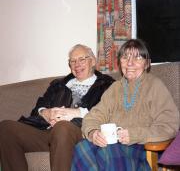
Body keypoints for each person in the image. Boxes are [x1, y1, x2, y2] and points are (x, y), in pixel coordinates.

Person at [0, 44, 115, 171]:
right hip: (47, 132)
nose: (77, 64)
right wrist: (45, 112)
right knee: (6, 128)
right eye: (72, 61)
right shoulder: (58, 84)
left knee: (62, 127)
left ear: (92, 61)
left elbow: (109, 112)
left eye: (82, 59)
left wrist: (76, 113)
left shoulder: (106, 84)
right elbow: (37, 108)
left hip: (80, 132)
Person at [71, 39, 180, 171]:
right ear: (120, 62)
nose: (130, 63)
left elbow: (169, 125)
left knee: (107, 152)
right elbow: (93, 116)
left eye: (137, 57)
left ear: (146, 63)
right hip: (114, 146)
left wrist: (134, 134)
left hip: (142, 148)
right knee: (82, 148)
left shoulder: (155, 86)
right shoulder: (115, 88)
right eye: (125, 57)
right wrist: (94, 132)